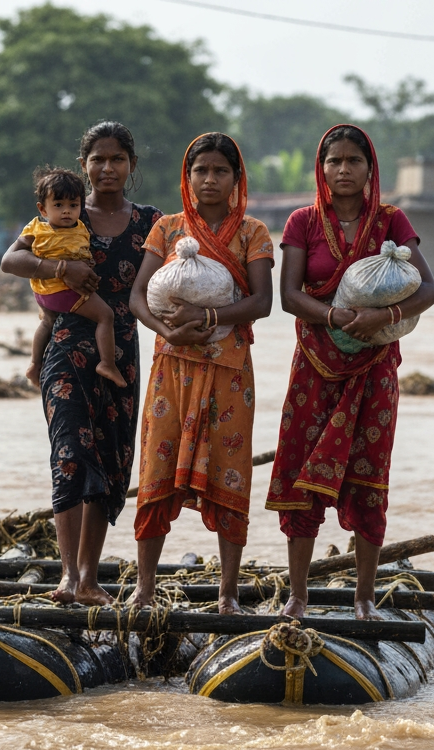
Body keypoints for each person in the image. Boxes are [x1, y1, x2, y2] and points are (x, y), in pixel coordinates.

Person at [266, 124, 434, 621]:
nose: (343, 170)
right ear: (320, 169)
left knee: (368, 473)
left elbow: (428, 289)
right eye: (333, 162)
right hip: (314, 365)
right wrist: (334, 316)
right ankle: (298, 595)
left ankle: (364, 596)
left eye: (353, 161)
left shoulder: (391, 221)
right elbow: (289, 296)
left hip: (375, 369)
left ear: (370, 169)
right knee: (300, 472)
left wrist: (383, 318)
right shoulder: (302, 221)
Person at [0, 122, 160, 605]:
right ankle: (68, 577)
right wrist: (60, 268)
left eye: (117, 159)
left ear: (131, 165)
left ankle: (90, 577)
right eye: (97, 159)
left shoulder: (152, 221)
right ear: (83, 164)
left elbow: (173, 280)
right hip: (66, 346)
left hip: (120, 351)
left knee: (110, 462)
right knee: (70, 454)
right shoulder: (62, 211)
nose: (107, 168)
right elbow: (11, 260)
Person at [128, 133, 274, 615]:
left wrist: (210, 320)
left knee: (229, 476)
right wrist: (168, 330)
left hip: (229, 371)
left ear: (236, 178)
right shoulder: (166, 229)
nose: (209, 180)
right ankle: (145, 590)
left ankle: (228, 594)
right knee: (156, 469)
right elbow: (138, 296)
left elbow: (261, 302)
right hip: (172, 368)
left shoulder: (252, 232)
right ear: (187, 178)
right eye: (200, 171)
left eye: (220, 171)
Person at [18, 167, 126, 388]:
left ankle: (34, 364)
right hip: (63, 292)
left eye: (73, 205)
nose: (66, 211)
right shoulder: (76, 230)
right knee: (105, 316)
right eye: (58, 205)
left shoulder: (35, 228)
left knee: (47, 322)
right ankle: (107, 363)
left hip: (42, 293)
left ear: (81, 206)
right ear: (43, 209)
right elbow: (9, 260)